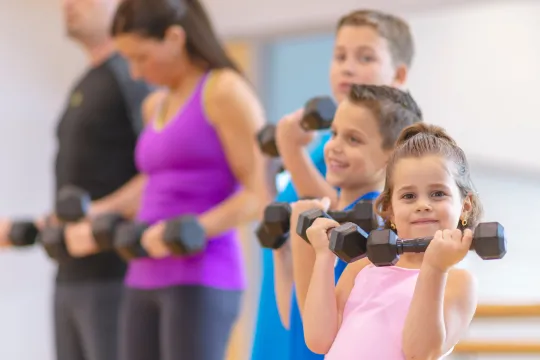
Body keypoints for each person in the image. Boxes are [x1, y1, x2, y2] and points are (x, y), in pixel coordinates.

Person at [252, 9, 417, 360]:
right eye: (340, 56)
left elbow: (333, 214)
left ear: (399, 73)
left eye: (365, 57)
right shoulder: (324, 151)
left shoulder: (398, 169)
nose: (348, 67)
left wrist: (289, 150)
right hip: (288, 309)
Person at [110, 0, 269, 359]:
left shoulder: (224, 91)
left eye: (140, 57)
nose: (135, 72)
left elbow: (258, 192)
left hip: (202, 275)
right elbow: (152, 182)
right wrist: (99, 211)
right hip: (142, 274)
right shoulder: (156, 104)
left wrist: (193, 228)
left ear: (175, 37)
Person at [0, 0, 152, 359]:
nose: (68, 5)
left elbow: (159, 173)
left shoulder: (133, 77)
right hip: (70, 272)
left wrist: (99, 214)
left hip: (116, 274)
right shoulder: (87, 81)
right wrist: (37, 225)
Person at [301, 123, 480, 359]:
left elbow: (420, 352)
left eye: (438, 193)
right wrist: (324, 258)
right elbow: (318, 340)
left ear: (465, 206)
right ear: (390, 209)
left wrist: (435, 268)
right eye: (409, 196)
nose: (423, 205)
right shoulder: (362, 267)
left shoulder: (458, 281)